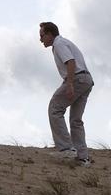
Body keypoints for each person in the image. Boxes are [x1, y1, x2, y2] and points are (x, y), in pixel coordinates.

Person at [39, 21, 93, 165]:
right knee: (76, 120)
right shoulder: (64, 42)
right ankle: (83, 157)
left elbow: (70, 62)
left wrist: (69, 84)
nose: (40, 39)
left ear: (50, 34)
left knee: (55, 107)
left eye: (42, 35)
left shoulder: (59, 44)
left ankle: (66, 149)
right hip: (87, 80)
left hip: (77, 78)